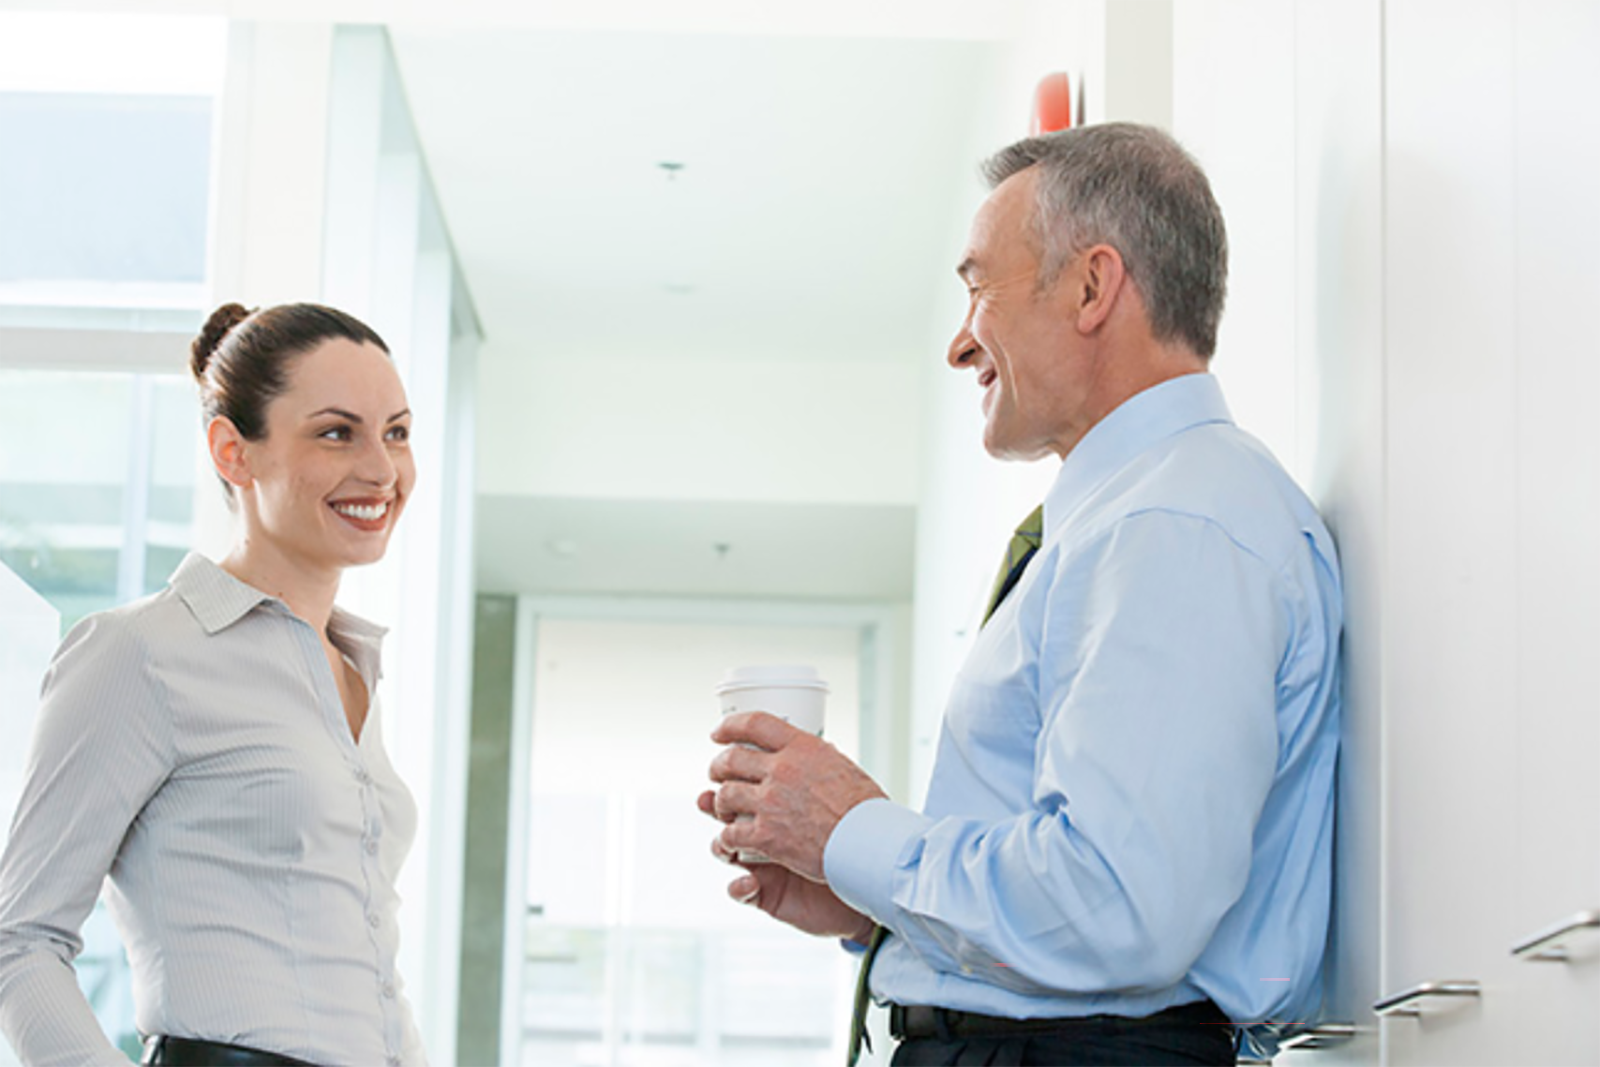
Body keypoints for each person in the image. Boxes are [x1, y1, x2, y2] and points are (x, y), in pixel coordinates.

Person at [702, 122, 1342, 1067]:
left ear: (1092, 286)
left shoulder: (1176, 525)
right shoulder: (1135, 519)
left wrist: (855, 830)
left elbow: (1116, 905)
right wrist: (871, 897)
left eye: (978, 290)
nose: (962, 346)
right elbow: (1081, 892)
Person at [0, 303, 428, 1067]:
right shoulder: (139, 654)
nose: (382, 468)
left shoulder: (353, 666)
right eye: (337, 432)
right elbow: (20, 937)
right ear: (233, 451)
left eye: (396, 431)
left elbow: (363, 968)